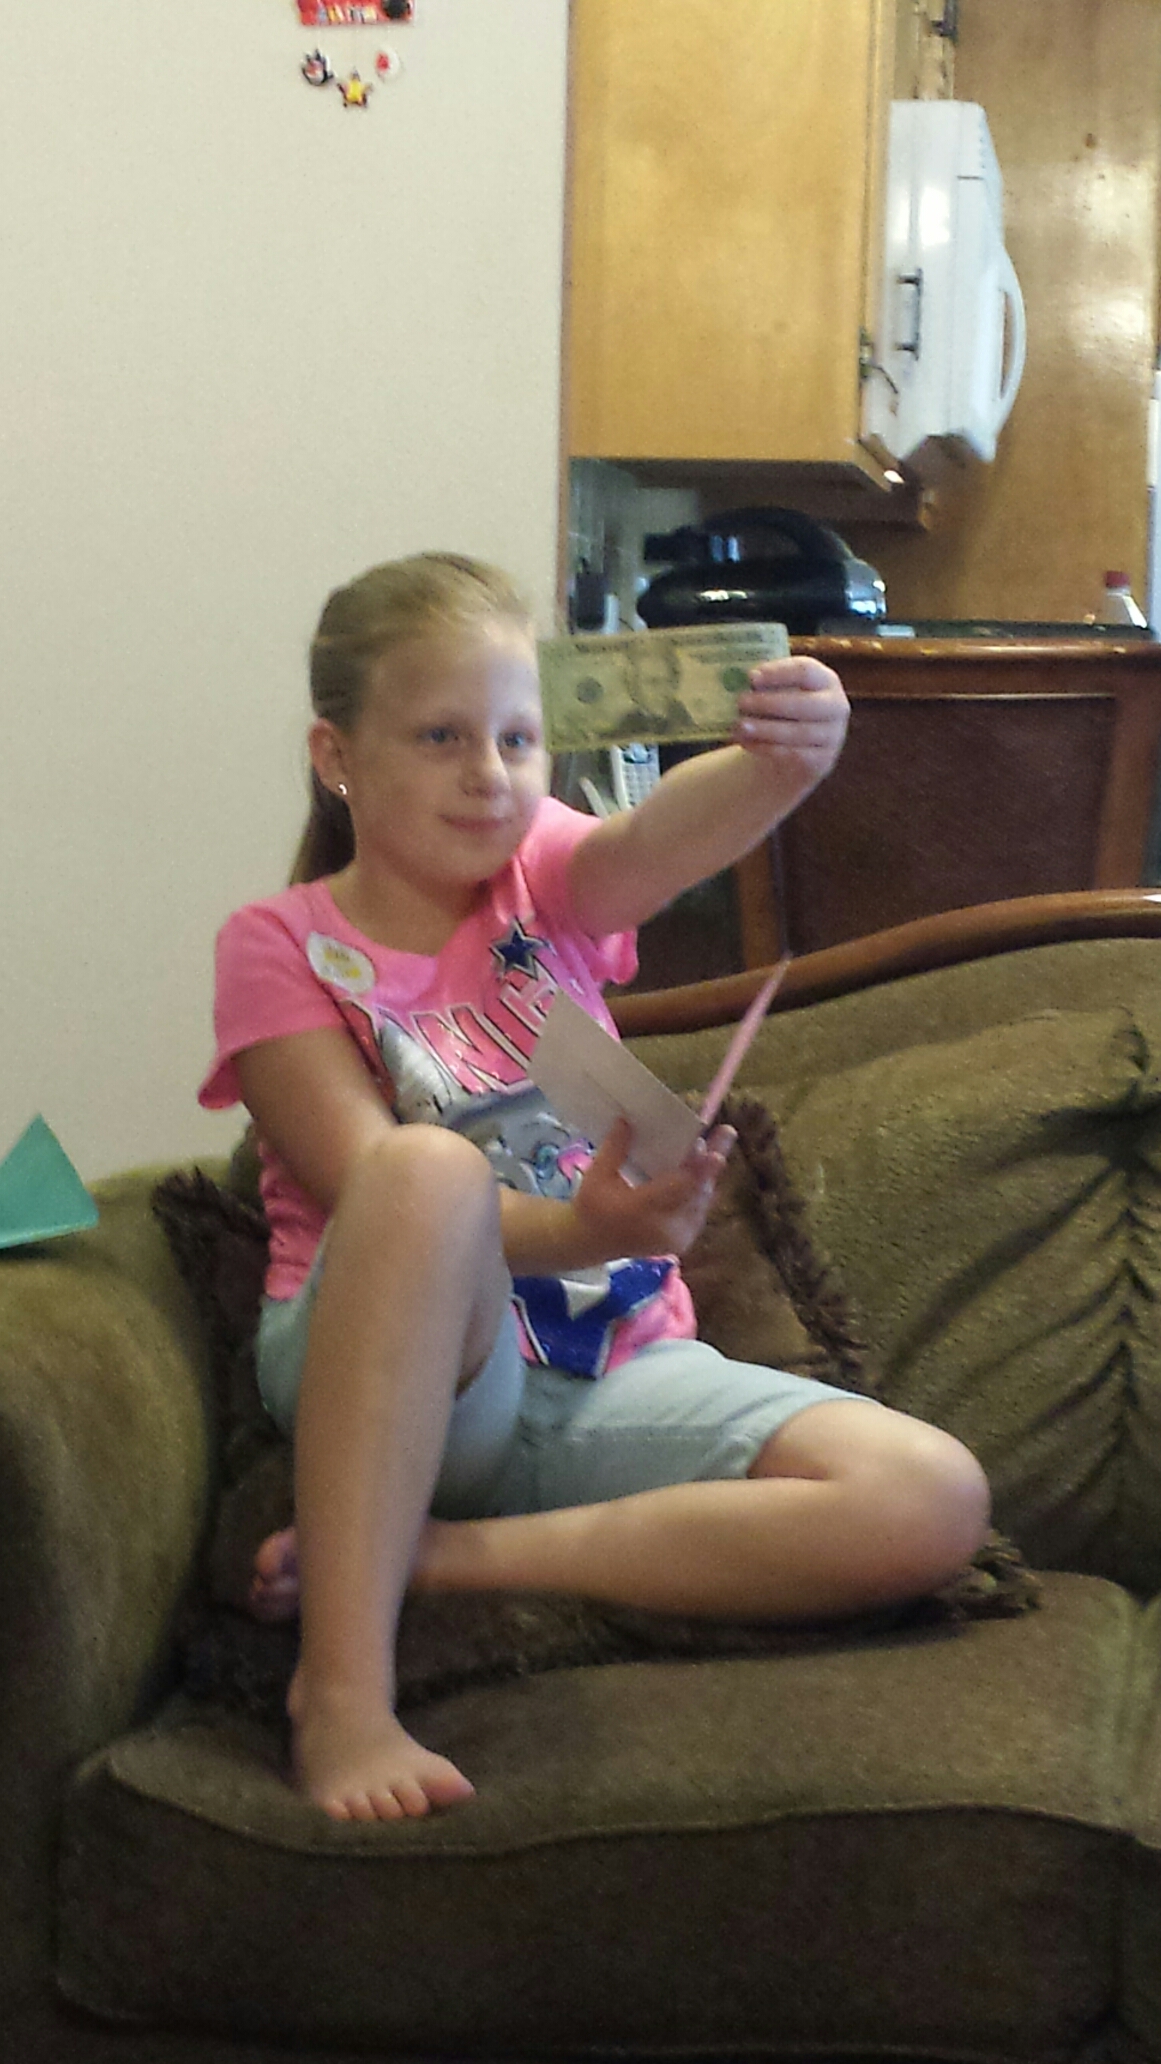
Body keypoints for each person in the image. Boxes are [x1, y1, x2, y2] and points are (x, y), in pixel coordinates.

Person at [199, 552, 990, 1826]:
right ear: (336, 756)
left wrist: (783, 763)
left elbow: (652, 842)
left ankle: (438, 1558)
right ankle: (343, 1694)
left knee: (932, 1494)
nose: (490, 772)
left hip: (611, 1370)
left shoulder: (544, 875)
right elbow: (365, 1187)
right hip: (412, 1372)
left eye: (518, 739)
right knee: (423, 1168)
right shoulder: (279, 944)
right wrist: (581, 1227)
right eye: (442, 736)